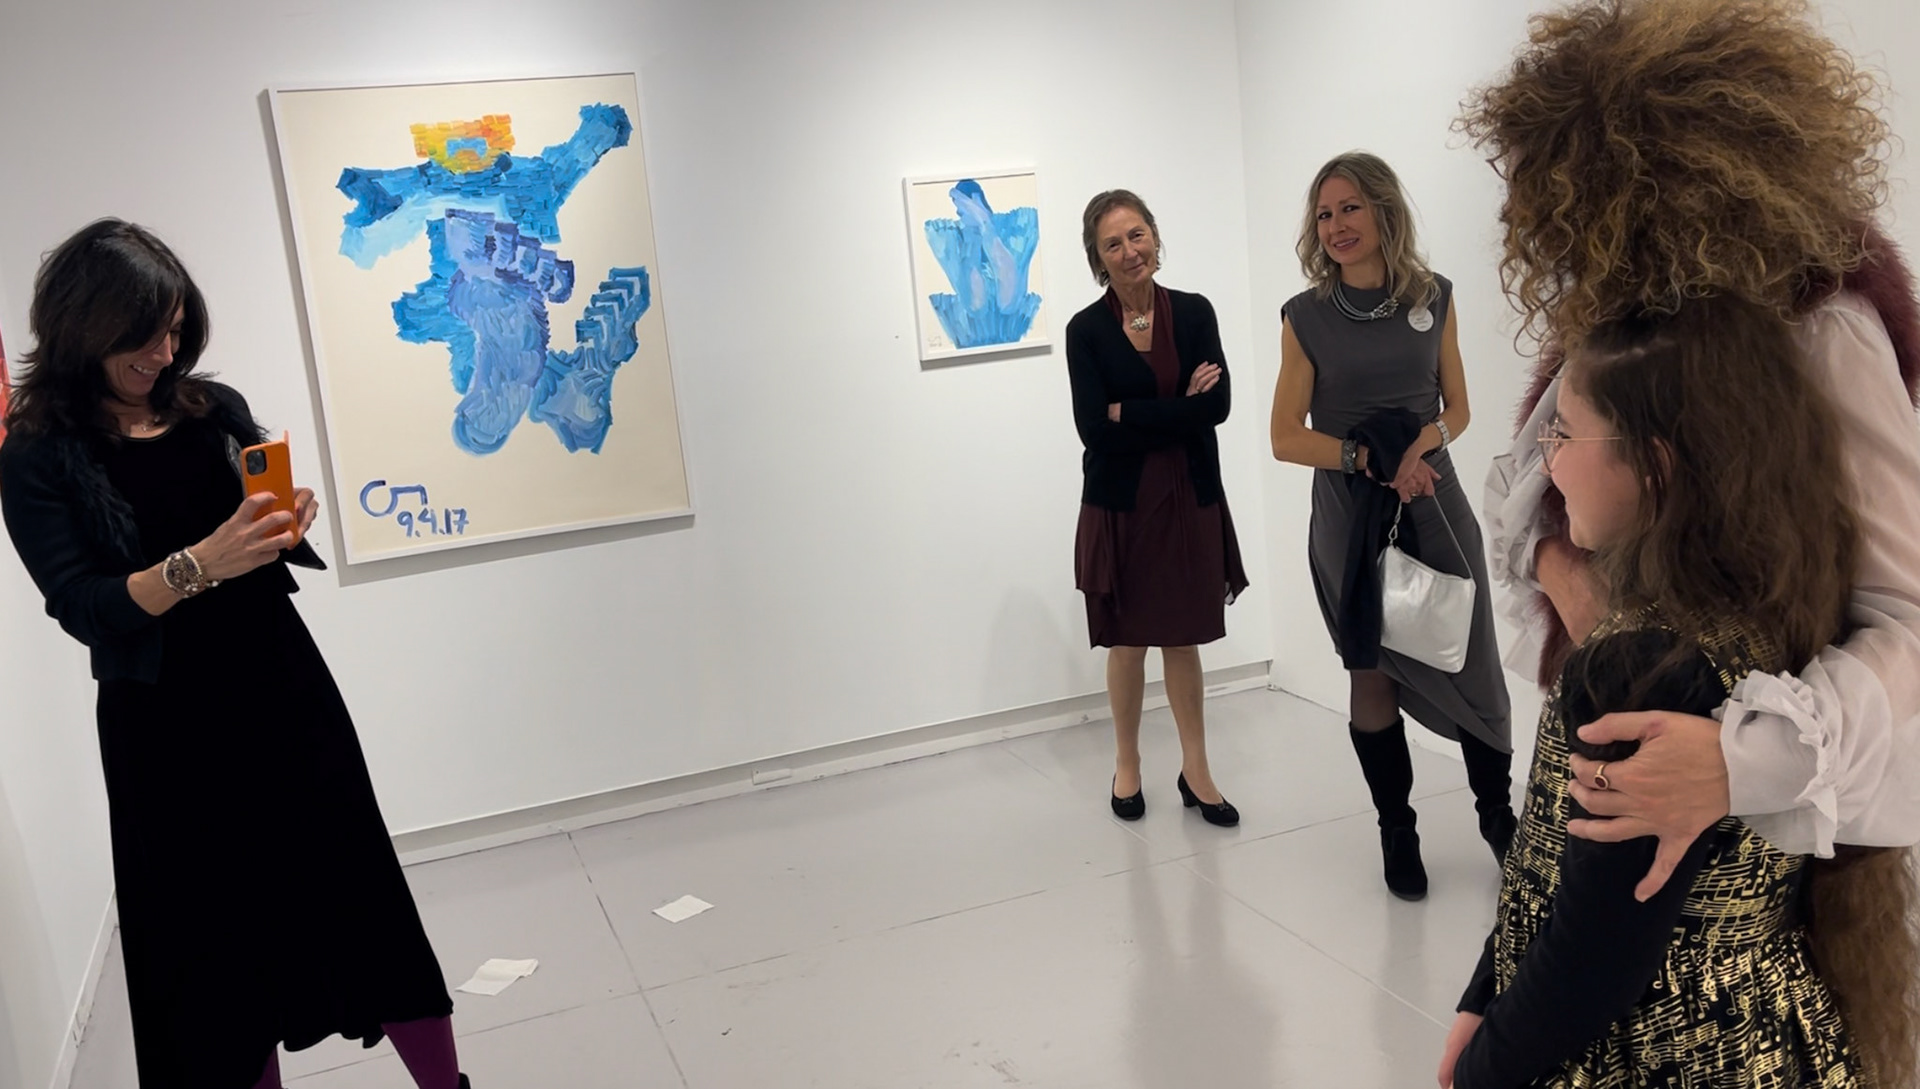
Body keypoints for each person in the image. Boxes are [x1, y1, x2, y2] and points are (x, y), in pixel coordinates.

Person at [1462, 0, 1920, 901]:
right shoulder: (1624, 314)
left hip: (1764, 827)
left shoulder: (1821, 327)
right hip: (1621, 739)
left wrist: (1740, 761)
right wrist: (1563, 573)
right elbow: (1522, 473)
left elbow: (1905, 617)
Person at [0, 220, 469, 1089]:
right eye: (143, 335)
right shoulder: (36, 455)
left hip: (279, 684)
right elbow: (84, 606)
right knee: (212, 952)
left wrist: (283, 524)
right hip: (162, 727)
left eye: (175, 331)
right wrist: (199, 564)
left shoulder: (208, 407)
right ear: (83, 323)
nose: (162, 353)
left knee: (360, 896)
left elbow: (252, 527)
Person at [1440, 297, 1918, 1089]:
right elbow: (1553, 866)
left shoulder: (1634, 669)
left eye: (1563, 435)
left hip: (1650, 1054)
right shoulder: (1771, 616)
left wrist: (1482, 1072)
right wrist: (1483, 990)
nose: (1548, 465)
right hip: (1763, 1030)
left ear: (1653, 465)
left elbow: (1593, 958)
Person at [1270, 152, 1514, 900]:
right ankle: (1396, 830)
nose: (1336, 225)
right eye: (1324, 214)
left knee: (1472, 659)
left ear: (1383, 211)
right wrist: (1366, 458)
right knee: (1371, 668)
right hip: (1353, 515)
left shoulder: (1434, 296)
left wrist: (1420, 446)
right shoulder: (1305, 317)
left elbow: (1458, 408)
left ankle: (1499, 817)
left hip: (1433, 499)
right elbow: (1285, 436)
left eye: (1349, 208)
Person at [1067, 189, 1250, 826]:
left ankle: (1196, 769)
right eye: (1113, 243)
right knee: (1128, 640)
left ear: (1155, 236)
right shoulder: (1086, 330)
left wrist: (1133, 413)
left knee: (1182, 636)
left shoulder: (1194, 312)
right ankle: (1128, 763)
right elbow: (1095, 429)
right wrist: (1179, 408)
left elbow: (1217, 407)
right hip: (1120, 503)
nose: (1129, 251)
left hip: (1187, 494)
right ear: (1098, 257)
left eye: (1137, 234)